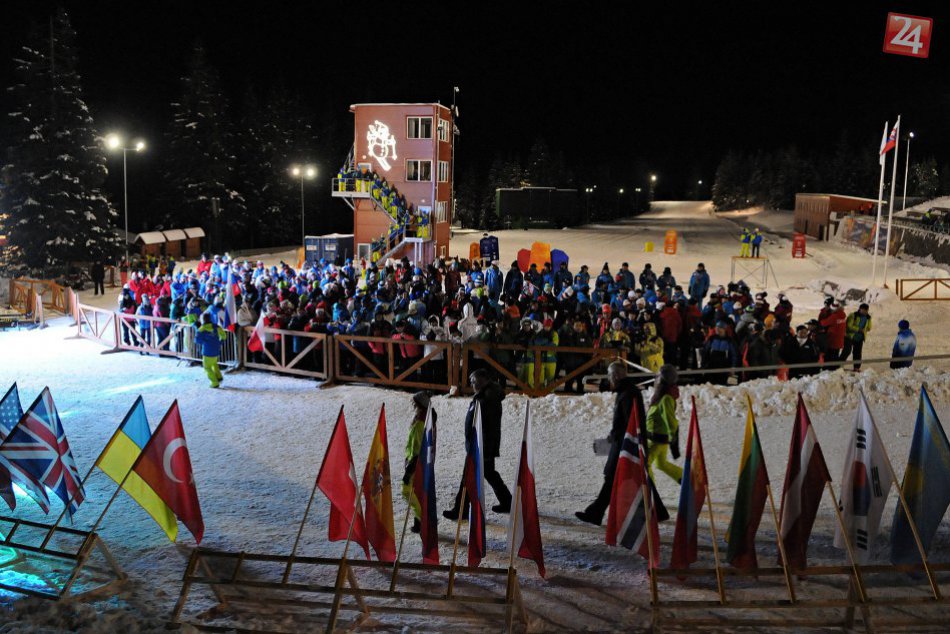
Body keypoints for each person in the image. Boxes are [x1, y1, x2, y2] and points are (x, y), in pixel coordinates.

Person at [575, 362, 646, 526]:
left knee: (617, 478)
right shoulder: (626, 391)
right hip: (622, 443)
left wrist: (616, 438)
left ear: (615, 376)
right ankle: (595, 513)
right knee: (617, 479)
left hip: (624, 445)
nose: (608, 379)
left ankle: (595, 513)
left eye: (609, 375)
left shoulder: (628, 393)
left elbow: (631, 423)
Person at [444, 369, 511, 520]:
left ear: (484, 380)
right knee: (489, 473)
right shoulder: (486, 396)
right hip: (482, 444)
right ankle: (507, 501)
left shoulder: (486, 399)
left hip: (482, 446)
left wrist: (482, 447)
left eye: (474, 381)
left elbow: (487, 426)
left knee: (468, 476)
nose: (472, 384)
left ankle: (460, 510)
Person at [402, 391, 434, 534]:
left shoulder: (421, 422)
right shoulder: (422, 418)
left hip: (415, 463)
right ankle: (419, 520)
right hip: (414, 461)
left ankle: (423, 520)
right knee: (415, 492)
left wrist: (410, 469)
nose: (413, 404)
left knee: (408, 491)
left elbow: (417, 447)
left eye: (415, 402)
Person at [645, 365, 683, 485]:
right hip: (655, 438)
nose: (656, 379)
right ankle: (685, 478)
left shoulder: (666, 398)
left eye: (658, 377)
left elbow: (671, 421)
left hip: (657, 440)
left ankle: (651, 493)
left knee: (645, 464)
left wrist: (674, 442)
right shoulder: (660, 396)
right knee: (661, 464)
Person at [194, 312, 227, 388]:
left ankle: (214, 382)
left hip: (207, 350)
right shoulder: (217, 327)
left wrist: (205, 342)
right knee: (214, 363)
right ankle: (219, 377)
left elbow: (197, 340)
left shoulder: (201, 329)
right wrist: (219, 343)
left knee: (207, 367)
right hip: (216, 349)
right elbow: (224, 336)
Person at [841, 303, 872, 371]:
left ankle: (856, 367)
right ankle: (839, 365)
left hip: (860, 338)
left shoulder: (867, 318)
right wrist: (858, 329)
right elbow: (849, 326)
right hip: (850, 336)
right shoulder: (853, 315)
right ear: (860, 309)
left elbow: (869, 328)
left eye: (866, 310)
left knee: (857, 353)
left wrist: (868, 321)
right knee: (846, 351)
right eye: (863, 310)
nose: (865, 312)